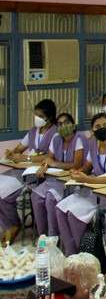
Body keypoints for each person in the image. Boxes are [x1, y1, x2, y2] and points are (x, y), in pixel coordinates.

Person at [55, 113, 106, 254]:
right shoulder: (93, 143)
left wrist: (88, 179)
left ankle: (81, 253)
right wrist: (78, 173)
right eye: (98, 126)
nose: (102, 128)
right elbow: (87, 167)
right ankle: (71, 251)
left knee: (72, 214)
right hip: (93, 190)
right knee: (60, 208)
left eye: (105, 125)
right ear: (92, 130)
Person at [1, 99, 58, 242]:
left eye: (40, 115)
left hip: (38, 175)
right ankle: (8, 225)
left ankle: (14, 224)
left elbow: (49, 156)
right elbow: (19, 148)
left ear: (49, 117)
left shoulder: (55, 134)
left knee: (4, 194)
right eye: (36, 114)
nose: (36, 118)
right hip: (22, 171)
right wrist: (11, 153)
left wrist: (25, 158)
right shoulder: (33, 132)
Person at [31, 112, 84, 237]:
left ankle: (53, 236)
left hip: (71, 181)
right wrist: (43, 167)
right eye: (59, 124)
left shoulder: (79, 139)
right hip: (55, 179)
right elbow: (48, 159)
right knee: (35, 195)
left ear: (73, 125)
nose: (63, 126)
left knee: (50, 198)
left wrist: (54, 164)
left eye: (66, 123)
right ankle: (42, 235)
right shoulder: (56, 139)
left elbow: (76, 164)